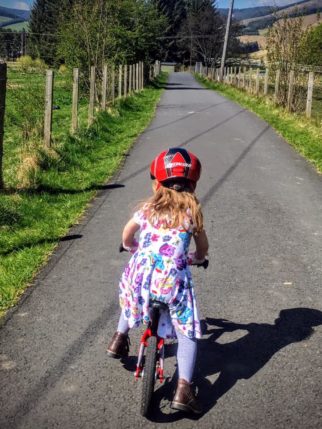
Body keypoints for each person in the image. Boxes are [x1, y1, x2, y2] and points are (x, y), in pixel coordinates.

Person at [107, 147, 209, 414]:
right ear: (193, 183)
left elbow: (127, 235)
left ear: (157, 183)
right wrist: (198, 257)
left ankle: (119, 337)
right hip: (172, 281)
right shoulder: (192, 213)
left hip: (142, 277)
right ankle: (184, 389)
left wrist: (130, 247)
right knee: (187, 329)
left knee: (132, 297)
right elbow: (202, 248)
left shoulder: (148, 208)